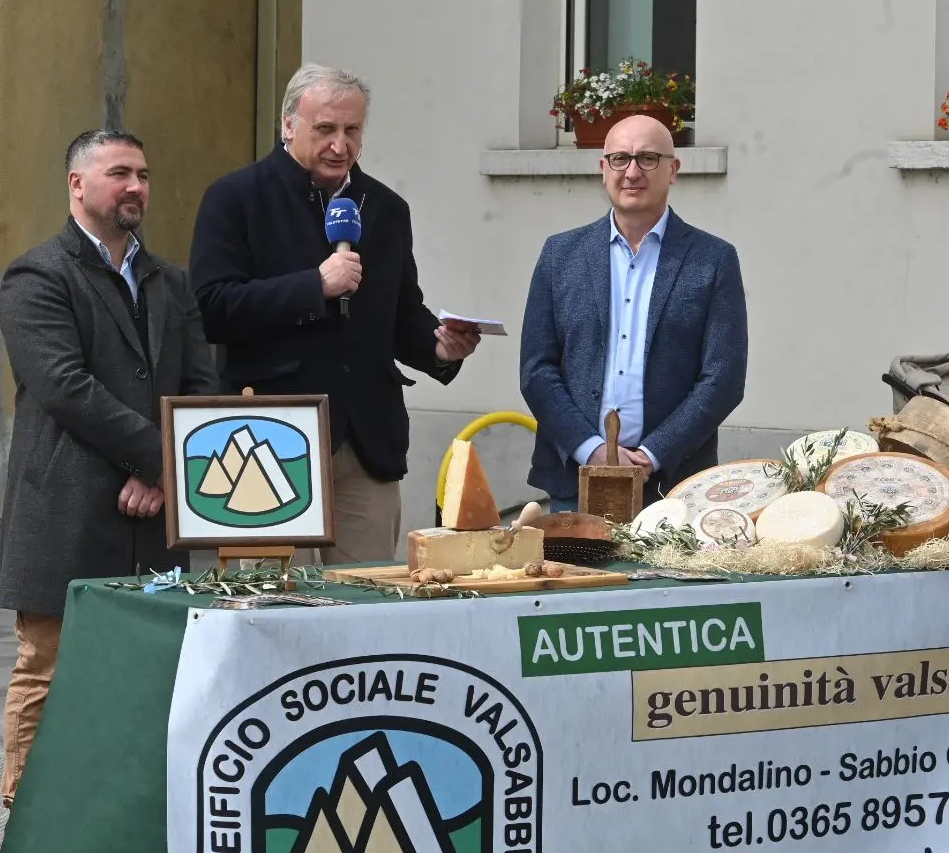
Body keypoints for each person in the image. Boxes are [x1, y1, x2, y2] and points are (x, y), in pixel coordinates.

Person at [0, 129, 218, 807]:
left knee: (149, 665)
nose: (136, 187)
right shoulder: (37, 276)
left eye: (144, 175)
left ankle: (126, 808)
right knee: (49, 668)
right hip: (65, 507)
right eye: (120, 173)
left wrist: (162, 477)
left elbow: (202, 384)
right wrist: (157, 457)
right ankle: (29, 812)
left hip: (153, 517)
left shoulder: (169, 280)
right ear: (77, 185)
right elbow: (66, 387)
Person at [190, 64, 479, 564]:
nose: (340, 145)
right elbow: (212, 309)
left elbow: (401, 314)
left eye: (352, 130)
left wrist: (438, 346)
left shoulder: (386, 209)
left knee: (366, 607)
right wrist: (313, 286)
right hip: (272, 436)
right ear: (288, 125)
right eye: (325, 129)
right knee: (274, 602)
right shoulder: (236, 198)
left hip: (366, 441)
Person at [519, 114, 747, 511]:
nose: (632, 172)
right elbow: (537, 370)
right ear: (602, 168)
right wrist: (592, 450)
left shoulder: (713, 260)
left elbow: (723, 378)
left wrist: (653, 454)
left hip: (673, 487)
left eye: (648, 158)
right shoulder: (560, 256)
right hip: (575, 482)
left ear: (673, 170)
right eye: (620, 158)